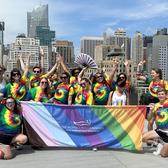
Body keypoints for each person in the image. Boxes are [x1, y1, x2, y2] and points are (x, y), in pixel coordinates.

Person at [142, 88, 168, 157]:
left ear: (166, 95)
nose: (161, 96)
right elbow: (149, 118)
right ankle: (158, 144)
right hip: (159, 131)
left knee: (163, 155)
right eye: (159, 94)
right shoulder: (156, 105)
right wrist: (151, 110)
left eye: (162, 94)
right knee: (143, 138)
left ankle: (165, 145)